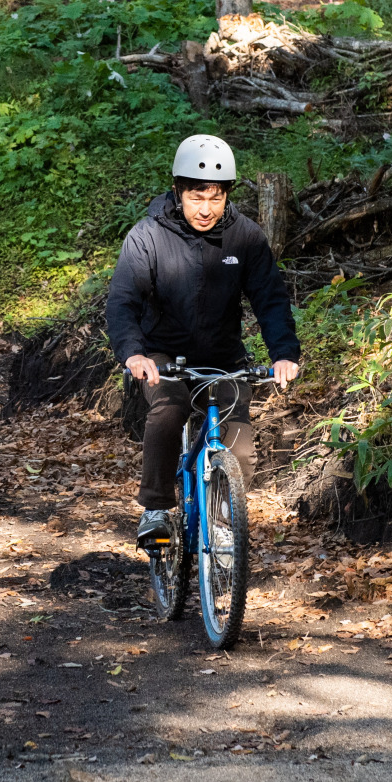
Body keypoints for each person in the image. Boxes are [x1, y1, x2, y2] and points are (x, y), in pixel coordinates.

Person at [105, 134, 301, 547]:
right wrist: (134, 354)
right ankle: (157, 508)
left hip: (223, 357)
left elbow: (270, 298)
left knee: (240, 444)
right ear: (178, 192)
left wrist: (284, 353)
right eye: (197, 197)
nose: (207, 209)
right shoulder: (147, 237)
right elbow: (123, 301)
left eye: (216, 198)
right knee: (168, 410)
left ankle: (223, 523)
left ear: (227, 195)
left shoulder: (245, 238)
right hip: (162, 355)